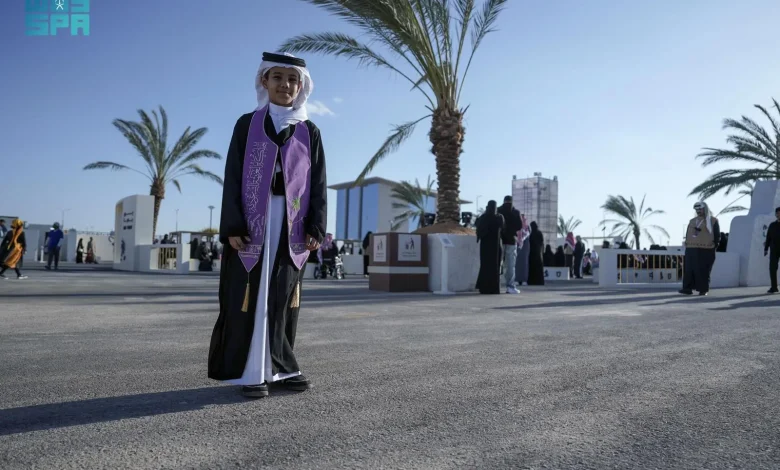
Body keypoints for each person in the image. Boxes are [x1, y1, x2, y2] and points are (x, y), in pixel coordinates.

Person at [208, 52, 327, 399]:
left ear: (301, 86)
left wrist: (316, 227)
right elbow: (233, 174)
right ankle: (251, 373)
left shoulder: (309, 131)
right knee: (251, 296)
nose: (285, 85)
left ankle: (281, 367)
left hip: (292, 227)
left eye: (292, 79)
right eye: (277, 77)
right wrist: (232, 225)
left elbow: (318, 182)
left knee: (282, 297)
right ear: (264, 81)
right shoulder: (247, 124)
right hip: (252, 225)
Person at [680, 201, 720, 296]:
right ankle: (687, 289)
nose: (698, 211)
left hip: (706, 249)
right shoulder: (692, 221)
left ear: (705, 209)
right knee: (689, 270)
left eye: (700, 209)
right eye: (696, 209)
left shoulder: (713, 221)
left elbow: (717, 235)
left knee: (703, 270)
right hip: (691, 249)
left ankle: (703, 290)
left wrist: (713, 246)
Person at [476, 200, 504, 294]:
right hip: (496, 246)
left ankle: (483, 287)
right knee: (495, 267)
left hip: (485, 246)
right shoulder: (499, 217)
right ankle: (494, 288)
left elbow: (478, 228)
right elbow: (503, 227)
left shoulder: (483, 217)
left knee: (485, 266)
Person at [497, 196, 522, 294]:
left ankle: (497, 285)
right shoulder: (515, 212)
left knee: (498, 263)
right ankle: (510, 286)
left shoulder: (498, 210)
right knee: (510, 265)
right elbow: (519, 226)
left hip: (500, 240)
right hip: (511, 240)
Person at [764, 206, 780, 294]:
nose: (779, 215)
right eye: (777, 213)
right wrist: (766, 249)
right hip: (774, 250)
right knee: (772, 268)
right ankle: (774, 287)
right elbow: (768, 237)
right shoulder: (772, 225)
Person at [514, 215, 530, 286]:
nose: (524, 220)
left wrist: (522, 238)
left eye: (524, 219)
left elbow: (528, 234)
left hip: (525, 246)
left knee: (524, 263)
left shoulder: (528, 227)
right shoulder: (517, 226)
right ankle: (516, 279)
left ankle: (524, 280)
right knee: (517, 263)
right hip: (517, 245)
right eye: (522, 219)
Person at [527, 221, 545, 286]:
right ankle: (539, 281)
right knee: (539, 267)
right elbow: (542, 242)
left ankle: (532, 281)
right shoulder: (539, 233)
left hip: (532, 253)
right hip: (538, 253)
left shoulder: (531, 234)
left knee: (532, 267)